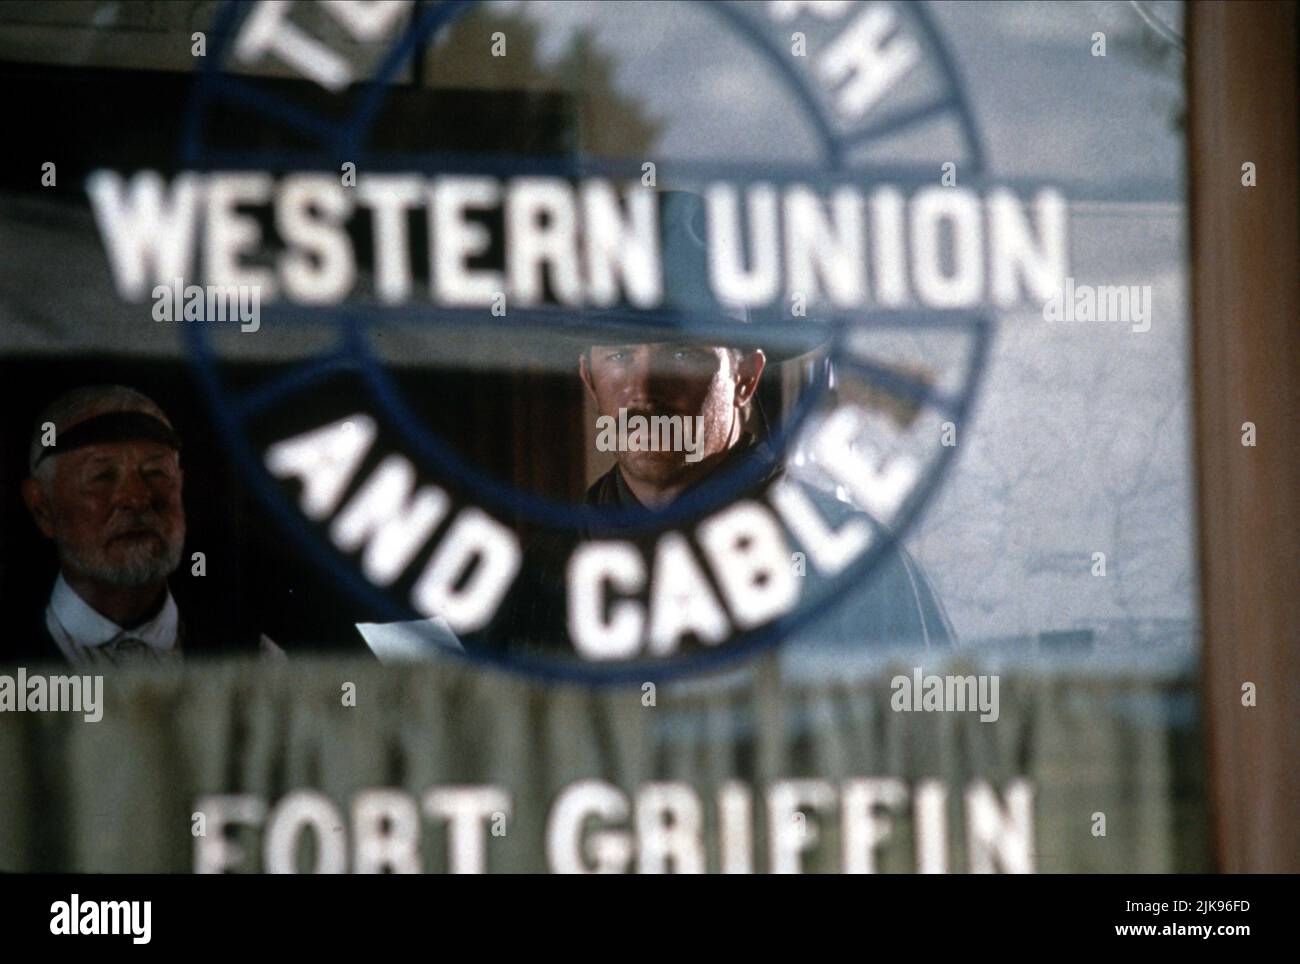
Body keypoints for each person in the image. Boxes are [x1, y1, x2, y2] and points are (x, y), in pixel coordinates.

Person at [474, 192, 954, 663]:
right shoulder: (539, 583)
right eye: (619, 357)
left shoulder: (852, 566)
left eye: (680, 356)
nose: (643, 390)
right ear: (589, 379)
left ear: (744, 378)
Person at [13, 384, 261, 666]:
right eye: (102, 476)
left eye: (156, 472)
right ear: (42, 507)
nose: (138, 497)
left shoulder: (254, 660)